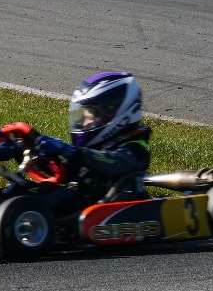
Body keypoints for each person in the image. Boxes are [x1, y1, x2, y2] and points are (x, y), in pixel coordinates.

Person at [27, 71, 153, 208]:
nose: (83, 123)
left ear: (114, 114)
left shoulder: (135, 148)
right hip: (83, 199)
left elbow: (111, 161)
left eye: (89, 118)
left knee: (38, 203)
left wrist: (69, 150)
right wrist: (35, 155)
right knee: (30, 191)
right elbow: (66, 172)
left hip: (107, 209)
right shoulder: (101, 144)